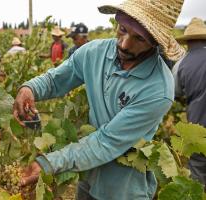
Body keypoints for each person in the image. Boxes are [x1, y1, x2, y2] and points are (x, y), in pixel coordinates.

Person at [13, 0, 185, 199]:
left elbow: (106, 142)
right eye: (122, 29)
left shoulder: (158, 90)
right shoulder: (94, 52)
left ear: (156, 42)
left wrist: (48, 163)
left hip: (122, 190)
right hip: (88, 175)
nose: (124, 43)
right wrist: (29, 88)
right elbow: (55, 80)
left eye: (139, 38)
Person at [172, 17, 206, 189]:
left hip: (197, 129)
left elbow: (176, 94)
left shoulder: (180, 65)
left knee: (198, 174)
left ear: (187, 42)